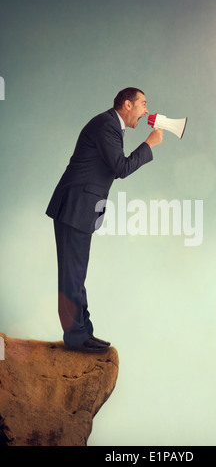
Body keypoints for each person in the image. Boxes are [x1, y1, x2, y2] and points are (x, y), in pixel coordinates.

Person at [46, 87, 163, 352]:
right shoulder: (107, 126)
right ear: (127, 105)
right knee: (72, 275)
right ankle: (76, 337)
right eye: (143, 104)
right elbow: (120, 168)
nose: (146, 109)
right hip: (74, 207)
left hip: (80, 208)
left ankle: (83, 331)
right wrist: (149, 144)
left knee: (77, 273)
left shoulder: (111, 126)